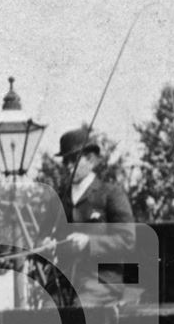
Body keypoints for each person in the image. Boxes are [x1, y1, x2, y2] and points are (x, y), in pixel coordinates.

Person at [46, 128, 136, 306]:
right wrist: (45, 243)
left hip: (101, 281)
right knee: (46, 316)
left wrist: (89, 242)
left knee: (80, 314)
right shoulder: (59, 199)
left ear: (91, 160)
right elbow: (44, 236)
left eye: (74, 160)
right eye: (65, 161)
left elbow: (127, 240)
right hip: (64, 282)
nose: (68, 166)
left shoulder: (110, 194)